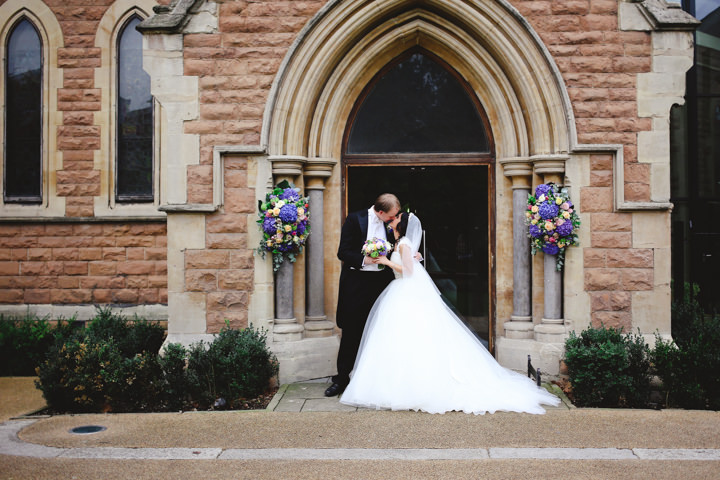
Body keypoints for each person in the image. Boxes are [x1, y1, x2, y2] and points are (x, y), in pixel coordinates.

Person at [340, 212, 561, 414]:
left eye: (396, 218)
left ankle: (412, 385)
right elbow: (409, 264)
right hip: (401, 293)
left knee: (411, 337)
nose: (392, 221)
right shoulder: (399, 243)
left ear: (402, 224)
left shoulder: (404, 243)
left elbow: (407, 272)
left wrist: (387, 261)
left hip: (404, 291)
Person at [324, 193, 401, 397]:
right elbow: (343, 252)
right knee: (351, 331)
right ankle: (342, 379)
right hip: (356, 284)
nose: (394, 219)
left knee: (382, 330)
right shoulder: (354, 219)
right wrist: (365, 260)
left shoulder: (391, 225)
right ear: (380, 212)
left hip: (382, 284)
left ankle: (377, 381)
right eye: (391, 216)